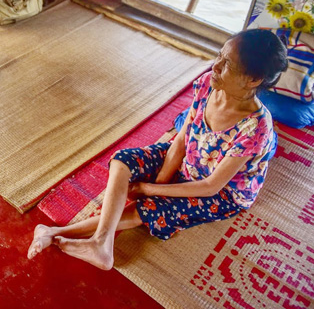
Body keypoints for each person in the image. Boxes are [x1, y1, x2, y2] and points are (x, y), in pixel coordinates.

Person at [28, 29, 288, 270]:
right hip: (193, 156)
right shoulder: (209, 84)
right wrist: (162, 180)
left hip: (221, 192)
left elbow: (210, 186)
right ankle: (100, 242)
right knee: (122, 161)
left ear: (253, 79)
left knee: (151, 208)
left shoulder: (256, 128)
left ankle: (60, 235)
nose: (215, 66)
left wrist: (149, 190)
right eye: (219, 55)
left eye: (227, 64)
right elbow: (182, 140)